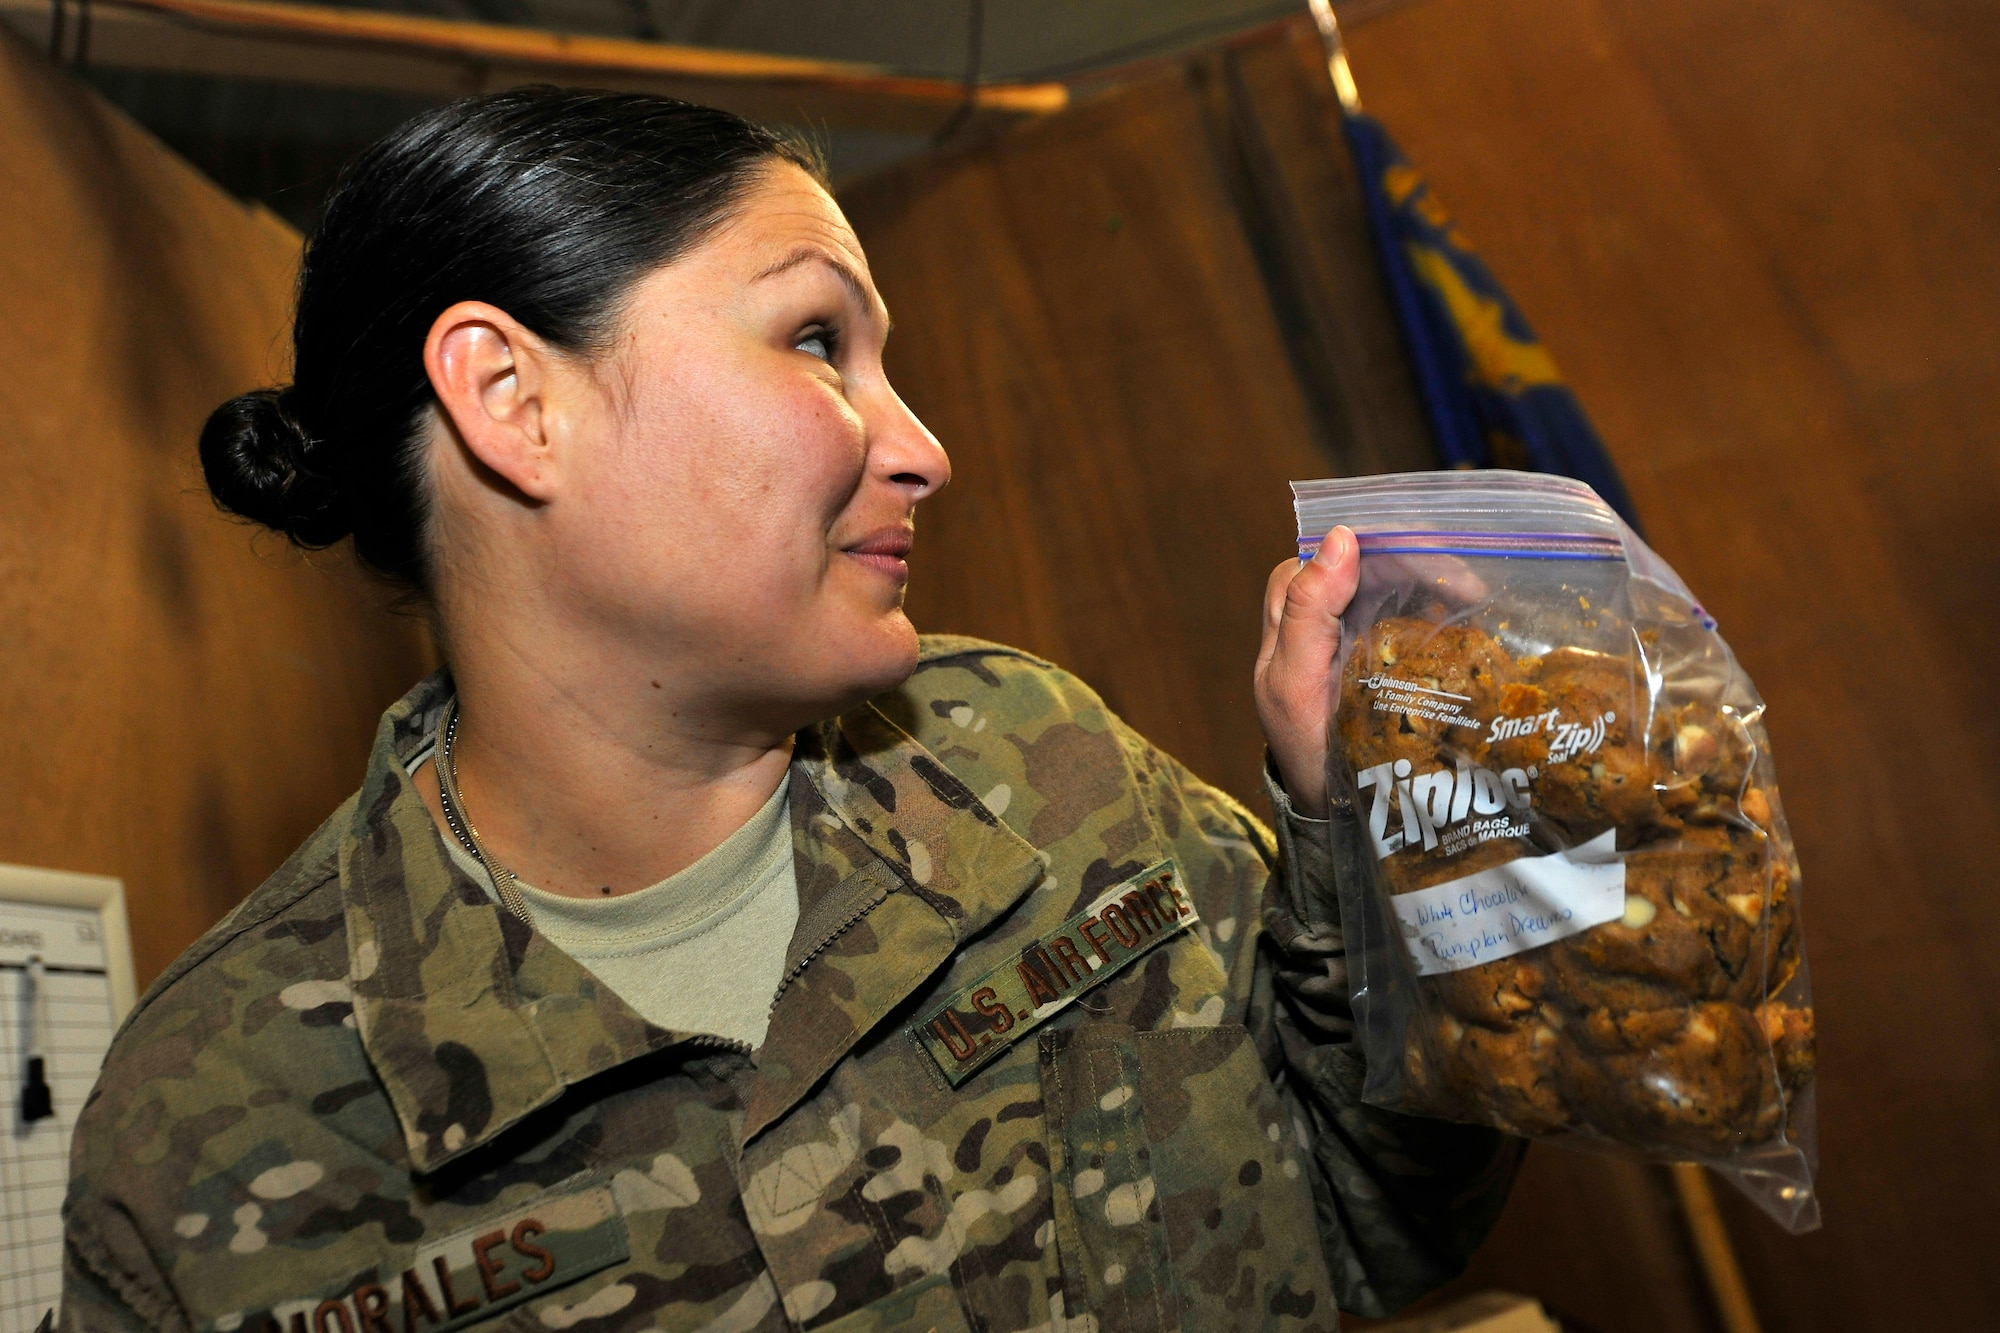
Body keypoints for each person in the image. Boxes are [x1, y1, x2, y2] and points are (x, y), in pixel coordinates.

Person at [59, 88, 1517, 1333]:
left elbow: (1372, 1223)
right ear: (512, 397)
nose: (926, 448)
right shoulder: (209, 1124)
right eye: (818, 341)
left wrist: (1368, 839)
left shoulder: (1038, 762)